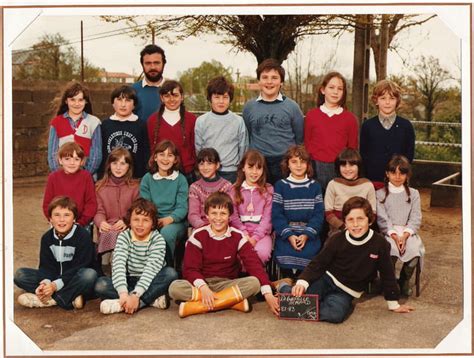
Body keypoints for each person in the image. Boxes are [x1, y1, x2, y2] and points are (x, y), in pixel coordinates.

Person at [277, 196, 415, 323]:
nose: (355, 224)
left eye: (360, 219)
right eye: (350, 220)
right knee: (298, 297)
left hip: (347, 291)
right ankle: (285, 288)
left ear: (370, 220)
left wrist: (393, 304)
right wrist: (303, 282)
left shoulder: (380, 244)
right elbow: (318, 263)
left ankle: (303, 303)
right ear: (345, 222)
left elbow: (387, 274)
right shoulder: (337, 239)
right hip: (326, 279)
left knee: (335, 315)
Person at [168, 192, 279, 318]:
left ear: (230, 216)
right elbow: (190, 269)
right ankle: (232, 302)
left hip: (227, 283)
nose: (218, 218)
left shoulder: (237, 236)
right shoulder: (198, 235)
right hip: (202, 283)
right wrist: (204, 288)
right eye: (214, 213)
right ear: (207, 215)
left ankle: (196, 307)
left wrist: (268, 294)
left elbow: (254, 264)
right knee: (174, 288)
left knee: (254, 283)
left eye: (223, 213)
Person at [95, 198, 178, 314]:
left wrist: (136, 295)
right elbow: (118, 265)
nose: (140, 224)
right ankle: (150, 300)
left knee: (171, 274)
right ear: (129, 221)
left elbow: (151, 270)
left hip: (150, 280)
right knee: (100, 285)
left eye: (145, 220)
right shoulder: (124, 236)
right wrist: (123, 293)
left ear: (153, 223)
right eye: (136, 219)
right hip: (128, 280)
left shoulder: (157, 239)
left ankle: (128, 304)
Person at [14, 196, 98, 310]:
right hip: (55, 278)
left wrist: (55, 286)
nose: (61, 220)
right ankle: (69, 296)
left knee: (89, 275)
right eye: (57, 215)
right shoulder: (47, 238)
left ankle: (53, 300)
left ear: (74, 219)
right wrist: (45, 283)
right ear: (50, 219)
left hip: (74, 278)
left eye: (67, 215)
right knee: (21, 275)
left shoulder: (83, 236)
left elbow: (82, 266)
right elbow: (45, 266)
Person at [242, 58, 304, 185]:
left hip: (284, 164)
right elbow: (248, 133)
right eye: (265, 77)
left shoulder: (292, 107)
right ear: (259, 81)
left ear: (281, 82)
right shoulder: (249, 107)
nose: (269, 82)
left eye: (274, 78)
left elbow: (299, 138)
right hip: (258, 164)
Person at [272, 145, 324, 279]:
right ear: (287, 164)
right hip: (287, 233)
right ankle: (287, 282)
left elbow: (318, 215)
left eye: (302, 161)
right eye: (294, 162)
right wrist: (289, 235)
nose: (299, 165)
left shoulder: (315, 186)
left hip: (308, 233)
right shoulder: (281, 185)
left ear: (308, 164)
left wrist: (306, 234)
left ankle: (302, 282)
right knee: (285, 253)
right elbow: (277, 215)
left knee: (310, 254)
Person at [376, 155, 424, 296]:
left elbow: (416, 217)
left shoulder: (414, 194)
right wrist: (396, 236)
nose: (397, 177)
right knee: (389, 248)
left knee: (415, 250)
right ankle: (389, 281)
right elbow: (382, 219)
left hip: (408, 232)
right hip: (389, 232)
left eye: (402, 173)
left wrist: (405, 235)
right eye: (393, 173)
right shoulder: (380, 194)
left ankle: (404, 280)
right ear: (387, 173)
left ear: (407, 174)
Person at [304, 71, 359, 193]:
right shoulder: (311, 115)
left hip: (340, 169)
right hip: (315, 168)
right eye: (331, 87)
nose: (335, 92)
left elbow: (352, 149)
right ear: (323, 90)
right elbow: (307, 144)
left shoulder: (350, 119)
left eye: (340, 89)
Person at [360, 79, 415, 189]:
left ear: (397, 101)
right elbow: (363, 154)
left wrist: (399, 174)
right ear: (376, 100)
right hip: (373, 182)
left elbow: (409, 155)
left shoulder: (406, 126)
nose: (387, 102)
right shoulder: (367, 126)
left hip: (398, 182)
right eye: (383, 98)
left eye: (392, 98)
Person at [140, 140, 188, 260]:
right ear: (155, 157)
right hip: (152, 218)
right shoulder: (147, 178)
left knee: (166, 233)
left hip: (175, 221)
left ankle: (167, 266)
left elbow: (182, 207)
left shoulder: (180, 179)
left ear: (175, 159)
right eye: (162, 154)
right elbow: (146, 204)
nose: (165, 159)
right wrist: (153, 220)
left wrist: (169, 219)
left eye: (170, 155)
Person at [195, 76, 248, 183]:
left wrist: (240, 171)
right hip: (209, 171)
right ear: (210, 98)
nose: (221, 101)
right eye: (217, 97)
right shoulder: (201, 121)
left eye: (225, 97)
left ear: (230, 99)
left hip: (231, 172)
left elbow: (243, 148)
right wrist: (206, 166)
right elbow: (199, 148)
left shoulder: (238, 121)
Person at [94, 147, 140, 263]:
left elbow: (137, 209)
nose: (118, 168)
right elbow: (99, 210)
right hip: (108, 226)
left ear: (129, 166)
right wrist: (101, 222)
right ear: (109, 165)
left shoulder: (135, 187)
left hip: (128, 226)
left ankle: (118, 267)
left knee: (121, 236)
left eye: (123, 164)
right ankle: (104, 266)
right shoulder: (100, 187)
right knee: (109, 234)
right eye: (114, 163)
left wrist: (127, 220)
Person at [47, 81, 102, 176]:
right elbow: (52, 155)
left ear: (86, 101)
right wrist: (62, 176)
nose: (77, 103)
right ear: (66, 101)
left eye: (80, 100)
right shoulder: (56, 122)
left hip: (87, 177)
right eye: (72, 99)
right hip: (63, 178)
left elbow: (96, 156)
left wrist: (84, 176)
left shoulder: (94, 122)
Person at [147, 80, 197, 184]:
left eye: (175, 95)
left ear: (182, 97)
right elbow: (151, 148)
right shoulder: (152, 121)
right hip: (160, 173)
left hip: (186, 173)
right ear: (161, 98)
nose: (171, 99)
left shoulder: (192, 120)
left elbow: (194, 147)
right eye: (167, 96)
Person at [230, 149, 273, 264]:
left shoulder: (268, 190)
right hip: (239, 233)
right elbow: (233, 217)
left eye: (258, 168)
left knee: (262, 253)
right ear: (243, 168)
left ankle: (257, 279)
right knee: (235, 254)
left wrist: (255, 238)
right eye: (250, 167)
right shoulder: (234, 190)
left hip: (261, 235)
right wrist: (244, 234)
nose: (254, 172)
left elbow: (267, 219)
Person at [99, 85, 150, 179]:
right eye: (119, 99)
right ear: (112, 103)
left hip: (135, 180)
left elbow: (146, 155)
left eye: (128, 100)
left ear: (134, 104)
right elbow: (101, 156)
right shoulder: (105, 125)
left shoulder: (141, 125)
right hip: (109, 180)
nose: (123, 104)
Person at [43, 142, 97, 227]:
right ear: (60, 160)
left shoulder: (86, 177)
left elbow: (91, 203)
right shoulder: (53, 177)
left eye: (76, 159)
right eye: (67, 159)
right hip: (58, 223)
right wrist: (53, 219)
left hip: (82, 224)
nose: (72, 163)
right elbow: (47, 203)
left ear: (82, 161)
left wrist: (82, 222)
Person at [324, 148, 376, 237]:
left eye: (351, 165)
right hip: (338, 228)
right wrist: (343, 226)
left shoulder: (367, 184)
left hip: (361, 227)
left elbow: (373, 213)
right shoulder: (333, 184)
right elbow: (328, 213)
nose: (347, 169)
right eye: (343, 165)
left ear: (359, 166)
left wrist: (359, 227)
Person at [188, 148, 233, 230]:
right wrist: (205, 228)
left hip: (222, 226)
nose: (205, 167)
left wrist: (218, 227)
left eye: (209, 163)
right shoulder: (194, 187)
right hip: (201, 228)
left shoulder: (227, 186)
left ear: (217, 165)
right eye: (201, 164)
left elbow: (231, 213)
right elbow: (193, 215)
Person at [132, 44, 167, 123]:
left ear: (163, 64)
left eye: (157, 63)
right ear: (142, 65)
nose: (152, 67)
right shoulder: (133, 90)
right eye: (148, 63)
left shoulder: (173, 90)